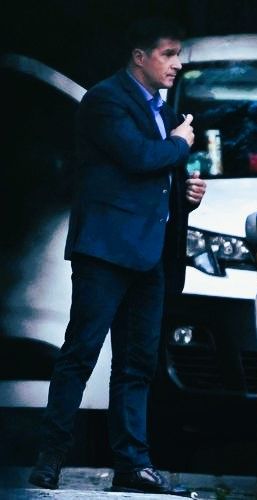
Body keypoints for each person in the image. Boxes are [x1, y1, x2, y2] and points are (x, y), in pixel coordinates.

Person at [27, 18, 206, 495]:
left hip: (150, 255)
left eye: (178, 53)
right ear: (139, 57)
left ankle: (132, 464)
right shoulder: (105, 100)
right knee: (80, 354)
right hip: (105, 252)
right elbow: (138, 158)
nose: (177, 63)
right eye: (169, 54)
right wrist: (178, 144)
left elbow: (155, 182)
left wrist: (185, 196)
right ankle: (50, 459)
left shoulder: (164, 112)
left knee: (137, 364)